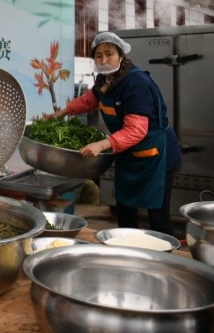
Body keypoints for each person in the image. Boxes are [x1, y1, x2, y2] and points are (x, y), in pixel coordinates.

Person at [50, 32, 181, 236]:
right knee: (125, 211)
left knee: (158, 218)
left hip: (156, 156)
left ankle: (168, 262)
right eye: (98, 55)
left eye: (109, 54)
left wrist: (102, 145)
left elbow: (137, 130)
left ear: (121, 56)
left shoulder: (135, 83)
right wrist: (60, 114)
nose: (103, 60)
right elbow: (88, 100)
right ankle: (129, 253)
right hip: (129, 154)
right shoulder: (105, 81)